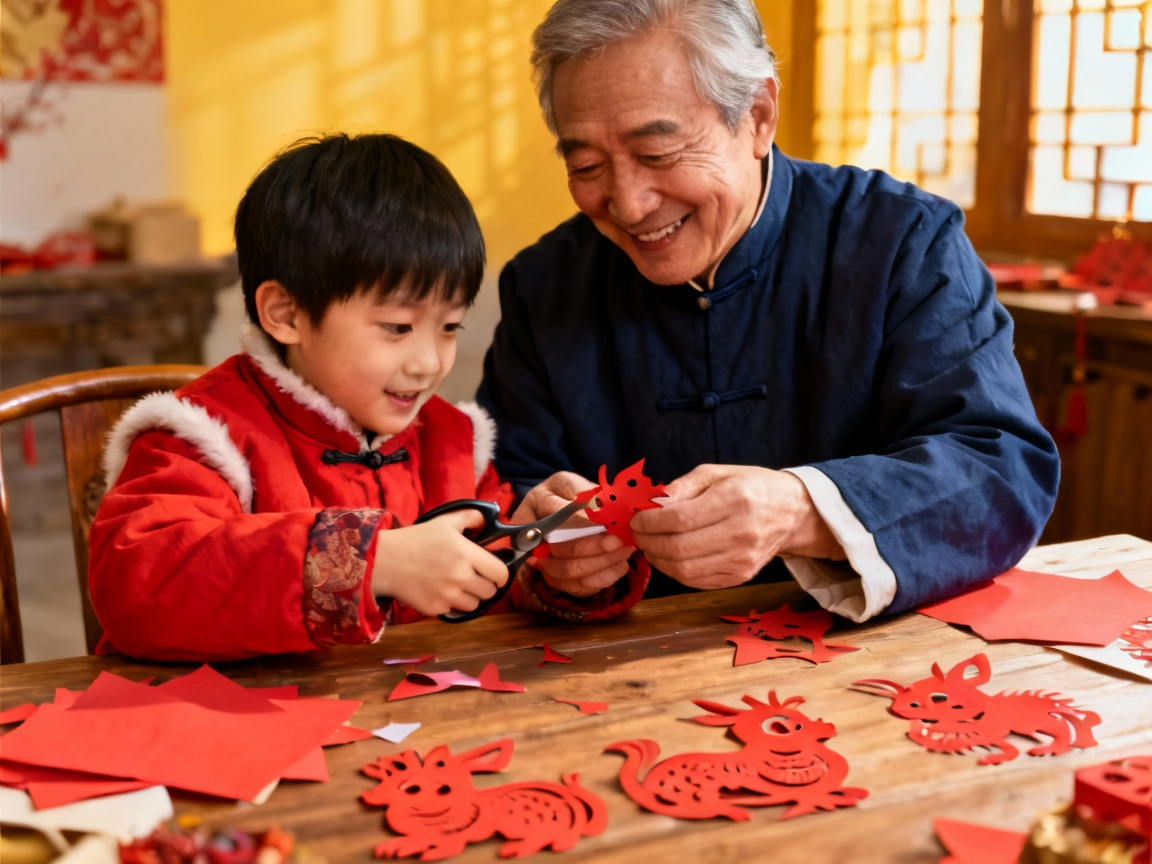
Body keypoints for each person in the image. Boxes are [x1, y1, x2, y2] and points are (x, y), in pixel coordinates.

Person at [476, 0, 1060, 622]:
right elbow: (500, 498)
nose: (628, 203)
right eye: (586, 166)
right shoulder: (544, 286)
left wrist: (805, 509)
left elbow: (999, 468)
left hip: (875, 664)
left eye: (658, 154)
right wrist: (544, 548)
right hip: (625, 672)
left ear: (757, 116)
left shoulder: (902, 242)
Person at [88, 133, 648, 662]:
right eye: (398, 327)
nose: (429, 362)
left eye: (449, 327)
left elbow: (483, 592)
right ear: (286, 314)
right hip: (231, 737)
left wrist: (545, 563)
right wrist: (370, 562)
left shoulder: (448, 441)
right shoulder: (203, 438)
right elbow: (139, 578)